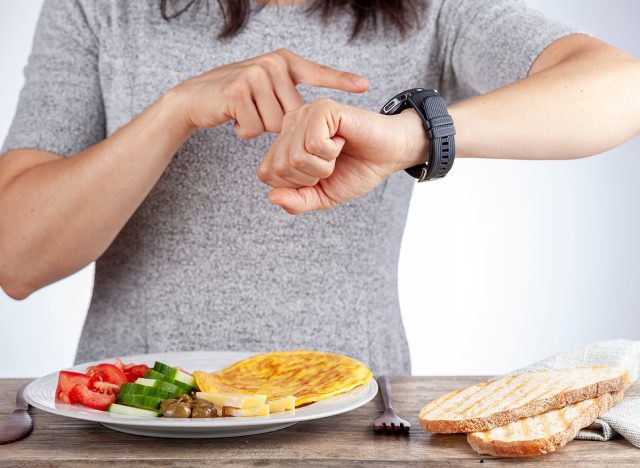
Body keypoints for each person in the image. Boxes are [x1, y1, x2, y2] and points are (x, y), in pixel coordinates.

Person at [0, 0, 638, 375]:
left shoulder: (431, 10)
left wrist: (417, 134)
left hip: (353, 423)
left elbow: (618, 86)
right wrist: (173, 112)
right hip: (132, 419)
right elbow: (17, 257)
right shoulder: (102, 8)